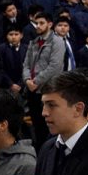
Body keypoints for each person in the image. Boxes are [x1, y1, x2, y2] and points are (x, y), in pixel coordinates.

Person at [23, 12, 66, 148]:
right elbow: (26, 64)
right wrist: (27, 80)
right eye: (37, 23)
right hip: (32, 90)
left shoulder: (57, 42)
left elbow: (55, 66)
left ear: (50, 24)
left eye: (41, 23)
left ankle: (50, 150)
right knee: (36, 124)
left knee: (49, 124)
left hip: (48, 89)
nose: (38, 26)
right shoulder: (33, 42)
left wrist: (35, 82)